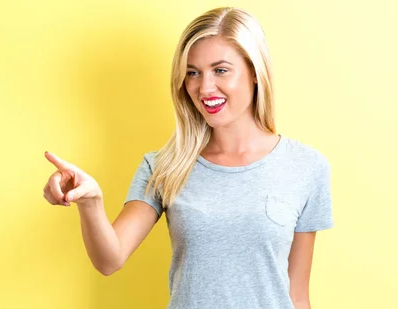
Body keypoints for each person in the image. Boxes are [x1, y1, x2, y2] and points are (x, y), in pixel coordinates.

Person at [42, 7, 333, 309]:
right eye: (193, 72)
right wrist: (91, 203)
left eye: (220, 70)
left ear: (255, 73)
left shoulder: (306, 167)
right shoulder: (164, 166)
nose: (204, 88)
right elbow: (109, 259)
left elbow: (297, 295)